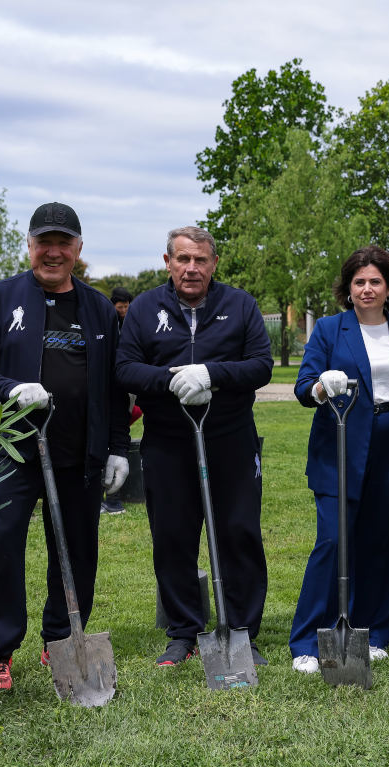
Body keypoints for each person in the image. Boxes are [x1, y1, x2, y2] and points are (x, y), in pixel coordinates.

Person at [0, 202, 130, 694]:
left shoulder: (98, 308)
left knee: (76, 552)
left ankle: (59, 639)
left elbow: (115, 387)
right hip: (14, 451)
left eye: (63, 243)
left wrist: (118, 447)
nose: (53, 252)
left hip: (80, 452)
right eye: (43, 242)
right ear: (30, 245)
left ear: (78, 249)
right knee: (3, 547)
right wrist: (10, 388)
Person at [116, 226, 273, 667]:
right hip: (167, 443)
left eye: (200, 260)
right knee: (173, 538)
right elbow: (125, 369)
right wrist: (171, 380)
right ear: (167, 262)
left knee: (239, 534)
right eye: (182, 259)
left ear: (214, 264)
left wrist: (211, 374)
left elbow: (260, 365)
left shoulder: (239, 304)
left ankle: (241, 630)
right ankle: (183, 632)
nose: (191, 268)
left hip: (231, 440)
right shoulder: (146, 308)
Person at [288, 245, 389, 674]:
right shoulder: (330, 329)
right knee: (333, 541)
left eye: (375, 282)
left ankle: (376, 630)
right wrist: (321, 387)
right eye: (359, 282)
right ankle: (309, 641)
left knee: (383, 540)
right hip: (341, 442)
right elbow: (303, 386)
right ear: (349, 289)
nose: (367, 289)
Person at [100, 286, 135, 515]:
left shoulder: (133, 323)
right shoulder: (106, 322)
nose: (123, 310)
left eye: (125, 307)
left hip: (125, 391)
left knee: (117, 444)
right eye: (120, 307)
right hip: (105, 390)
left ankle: (113, 500)